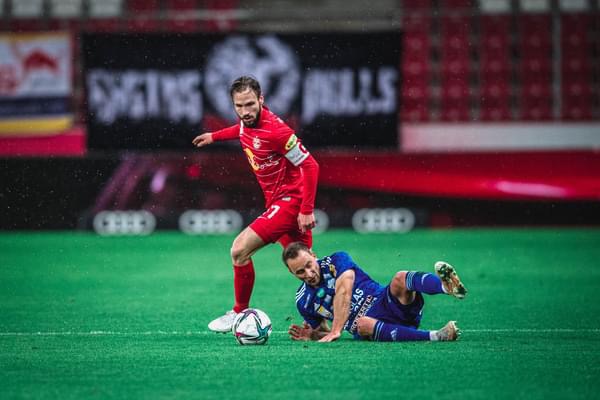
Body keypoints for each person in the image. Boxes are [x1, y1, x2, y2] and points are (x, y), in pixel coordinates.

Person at [193, 76, 320, 332]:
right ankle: (337, 313)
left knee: (239, 251)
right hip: (278, 202)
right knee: (307, 266)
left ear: (261, 100)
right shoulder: (246, 123)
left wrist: (306, 209)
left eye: (250, 104)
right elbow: (240, 130)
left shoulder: (277, 132)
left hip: (289, 202)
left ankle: (239, 312)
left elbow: (310, 165)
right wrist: (214, 136)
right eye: (239, 106)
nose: (245, 111)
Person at [283, 242, 467, 342]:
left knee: (400, 278)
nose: (309, 274)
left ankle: (446, 287)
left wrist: (336, 329)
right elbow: (326, 334)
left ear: (313, 255)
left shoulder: (337, 260)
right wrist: (313, 335)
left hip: (386, 301)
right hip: (368, 327)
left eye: (309, 265)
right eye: (300, 272)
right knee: (363, 324)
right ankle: (437, 336)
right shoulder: (303, 301)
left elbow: (344, 291)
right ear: (292, 273)